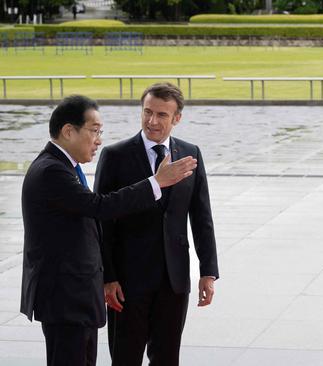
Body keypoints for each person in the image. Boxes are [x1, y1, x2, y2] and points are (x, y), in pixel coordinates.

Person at [20, 95, 197, 366]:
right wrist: (156, 183)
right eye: (94, 131)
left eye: (100, 132)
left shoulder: (63, 168)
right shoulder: (51, 172)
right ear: (69, 131)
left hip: (75, 299)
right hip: (66, 299)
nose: (99, 140)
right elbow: (100, 206)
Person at [94, 82, 219, 366]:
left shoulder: (191, 154)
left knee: (167, 359)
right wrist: (108, 276)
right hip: (127, 282)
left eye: (162, 115)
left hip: (173, 282)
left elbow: (202, 218)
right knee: (125, 359)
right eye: (147, 112)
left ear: (177, 119)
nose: (152, 121)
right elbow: (102, 221)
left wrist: (208, 272)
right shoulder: (115, 156)